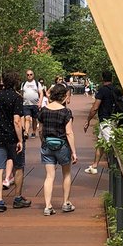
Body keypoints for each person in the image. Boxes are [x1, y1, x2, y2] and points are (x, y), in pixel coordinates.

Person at [0, 72, 31, 212]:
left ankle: (0, 201)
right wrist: (20, 139)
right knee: (18, 166)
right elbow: (17, 121)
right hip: (13, 138)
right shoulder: (17, 97)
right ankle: (17, 198)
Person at [37, 82, 77, 215]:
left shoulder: (43, 110)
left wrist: (43, 142)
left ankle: (48, 206)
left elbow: (40, 130)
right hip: (62, 146)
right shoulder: (66, 112)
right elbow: (69, 133)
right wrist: (74, 152)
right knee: (66, 174)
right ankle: (66, 203)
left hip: (47, 145)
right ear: (64, 97)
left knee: (49, 176)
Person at [84, 70, 117, 175]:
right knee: (100, 143)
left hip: (105, 120)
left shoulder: (102, 91)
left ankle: (117, 169)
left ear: (102, 79)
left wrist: (88, 120)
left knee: (111, 143)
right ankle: (94, 166)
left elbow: (95, 107)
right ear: (111, 79)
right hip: (115, 118)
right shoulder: (116, 90)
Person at [21, 69, 43, 138]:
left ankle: (33, 132)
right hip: (26, 104)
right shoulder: (23, 84)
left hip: (35, 104)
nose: (29, 76)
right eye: (28, 75)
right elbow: (21, 93)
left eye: (31, 74)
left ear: (33, 75)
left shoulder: (37, 83)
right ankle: (26, 132)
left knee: (34, 119)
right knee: (27, 118)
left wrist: (40, 102)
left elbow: (41, 93)